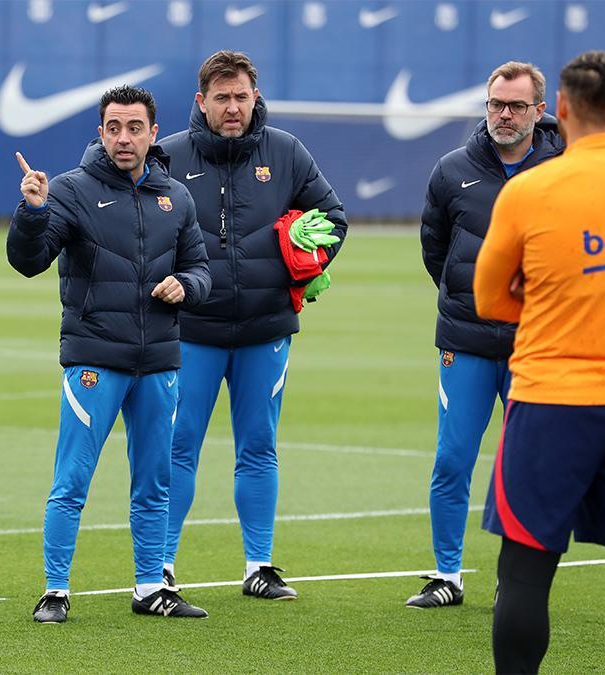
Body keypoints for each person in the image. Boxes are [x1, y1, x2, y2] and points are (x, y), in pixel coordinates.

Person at [475, 50, 605, 673]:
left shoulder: (532, 189)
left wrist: (547, 299)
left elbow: (490, 297)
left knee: (525, 571)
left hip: (550, 402)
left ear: (559, 109)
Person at [10, 85, 213, 623]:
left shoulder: (177, 196)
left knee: (154, 481)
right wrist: (31, 213)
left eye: (134, 128)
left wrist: (186, 286)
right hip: (95, 360)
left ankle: (151, 587)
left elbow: (201, 269)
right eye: (114, 128)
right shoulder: (72, 191)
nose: (124, 138)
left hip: (158, 362)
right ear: (100, 133)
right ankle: (56, 590)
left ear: (152, 132)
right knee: (71, 481)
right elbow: (29, 260)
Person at [158, 50, 347, 599]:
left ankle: (259, 567)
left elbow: (333, 219)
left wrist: (306, 265)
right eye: (222, 97)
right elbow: (140, 226)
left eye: (242, 96)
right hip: (190, 330)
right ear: (202, 101)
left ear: (254, 97)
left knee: (259, 446)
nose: (233, 107)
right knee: (178, 447)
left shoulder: (285, 152)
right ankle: (161, 567)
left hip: (266, 329)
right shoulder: (168, 155)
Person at [410, 61, 563, 609]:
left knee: (526, 464)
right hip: (467, 341)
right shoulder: (453, 169)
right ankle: (446, 575)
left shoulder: (562, 170)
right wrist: (467, 297)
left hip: (536, 344)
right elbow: (435, 248)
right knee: (452, 460)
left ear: (538, 112)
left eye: (516, 106)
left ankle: (515, 580)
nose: (503, 114)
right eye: (496, 104)